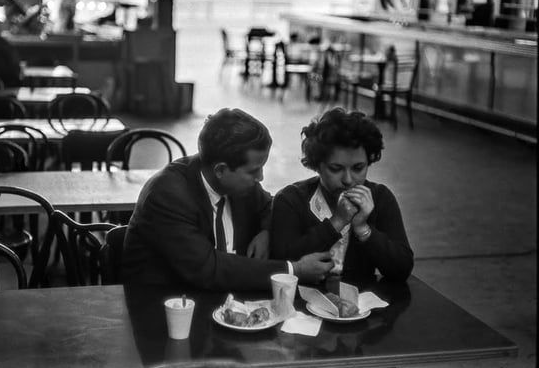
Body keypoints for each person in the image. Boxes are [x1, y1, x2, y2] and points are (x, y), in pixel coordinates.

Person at [121, 108, 335, 291]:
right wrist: (293, 270)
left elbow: (270, 206)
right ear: (221, 170)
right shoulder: (168, 196)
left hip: (218, 301)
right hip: (161, 309)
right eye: (254, 171)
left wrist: (266, 231)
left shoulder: (239, 184)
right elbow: (208, 270)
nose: (260, 178)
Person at [270, 107, 414, 282]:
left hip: (361, 304)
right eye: (335, 169)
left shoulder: (381, 198)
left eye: (358, 168)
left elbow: (402, 269)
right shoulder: (291, 200)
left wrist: (363, 229)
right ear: (317, 165)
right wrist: (336, 222)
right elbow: (282, 263)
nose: (348, 179)